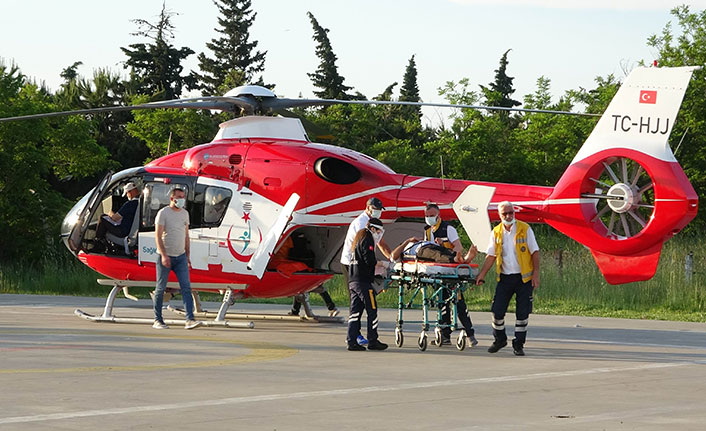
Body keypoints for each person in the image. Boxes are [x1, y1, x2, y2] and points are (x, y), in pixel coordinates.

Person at [475, 201, 540, 356]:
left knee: (522, 313)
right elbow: (491, 255)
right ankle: (499, 339)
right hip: (504, 278)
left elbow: (535, 251)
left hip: (524, 278)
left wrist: (536, 273)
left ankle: (518, 344)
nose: (509, 216)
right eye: (505, 214)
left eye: (511, 212)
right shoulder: (496, 232)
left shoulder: (525, 229)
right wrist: (482, 274)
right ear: (499, 215)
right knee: (497, 311)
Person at [152, 187, 202, 330]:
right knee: (161, 288)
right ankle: (158, 319)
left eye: (183, 197)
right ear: (172, 198)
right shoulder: (163, 213)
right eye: (179, 197)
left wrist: (187, 256)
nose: (181, 200)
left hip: (180, 256)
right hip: (165, 256)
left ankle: (190, 319)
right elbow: (158, 235)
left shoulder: (185, 214)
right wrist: (163, 255)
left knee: (186, 287)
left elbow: (186, 236)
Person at [346, 218, 388, 351]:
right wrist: (383, 264)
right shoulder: (367, 238)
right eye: (379, 231)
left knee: (355, 313)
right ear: (373, 229)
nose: (379, 234)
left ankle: (351, 341)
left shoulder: (358, 239)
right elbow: (369, 260)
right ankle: (373, 340)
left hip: (353, 280)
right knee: (372, 310)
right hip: (363, 282)